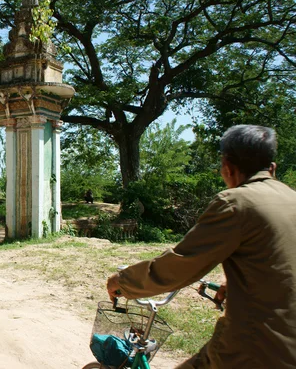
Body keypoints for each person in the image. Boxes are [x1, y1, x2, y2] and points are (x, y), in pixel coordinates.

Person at [106, 125, 296, 368]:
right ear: (272, 167)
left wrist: (122, 282)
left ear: (227, 166)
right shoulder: (291, 198)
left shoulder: (235, 203)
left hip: (255, 348)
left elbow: (180, 265)